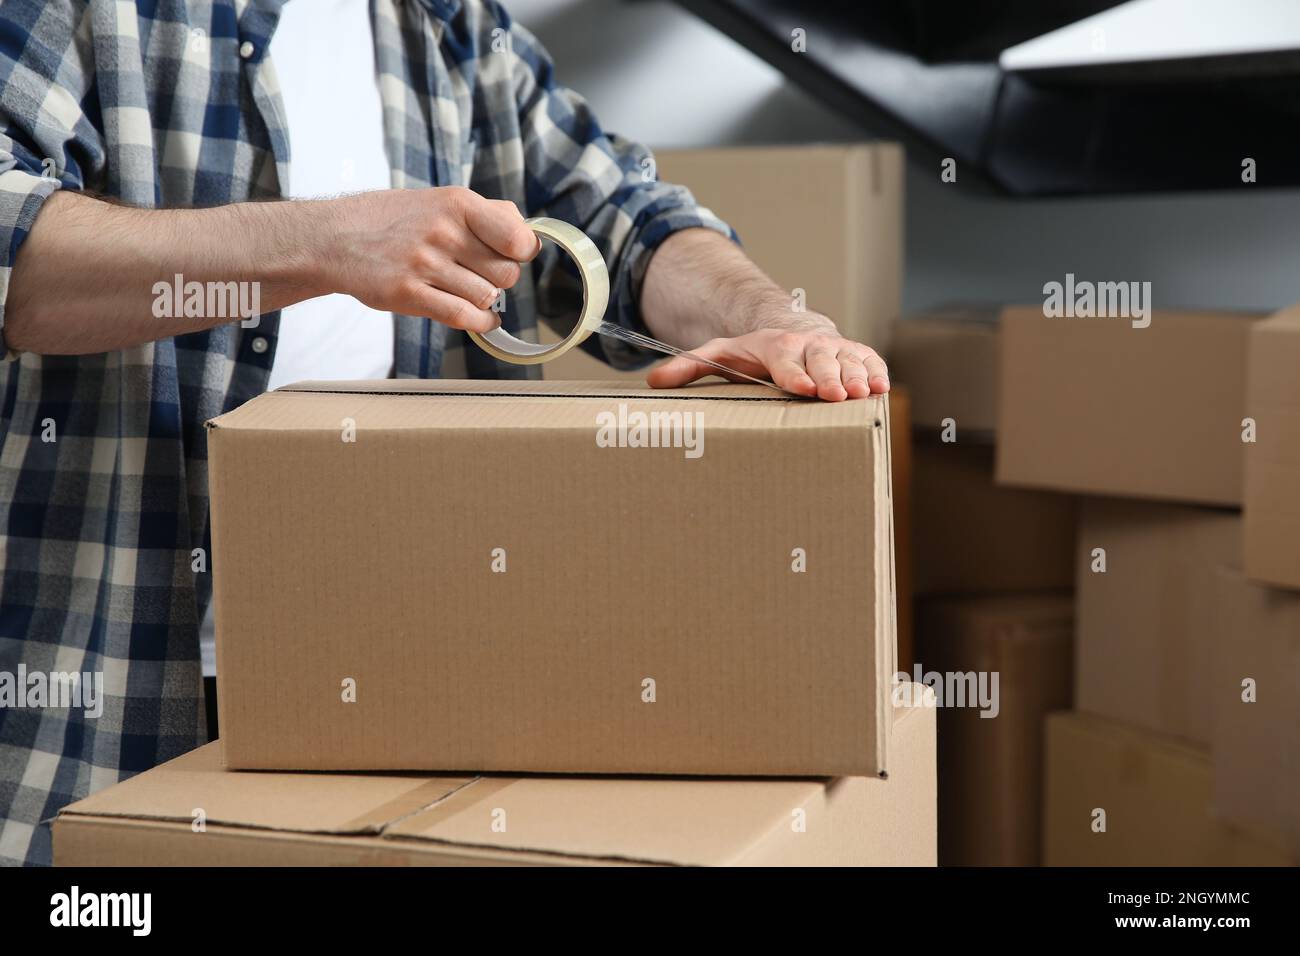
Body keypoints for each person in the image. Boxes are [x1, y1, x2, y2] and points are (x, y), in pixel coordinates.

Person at [0, 0, 890, 865]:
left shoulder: (448, 24)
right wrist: (326, 241)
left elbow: (626, 215)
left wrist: (771, 319)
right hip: (114, 677)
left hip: (408, 676)